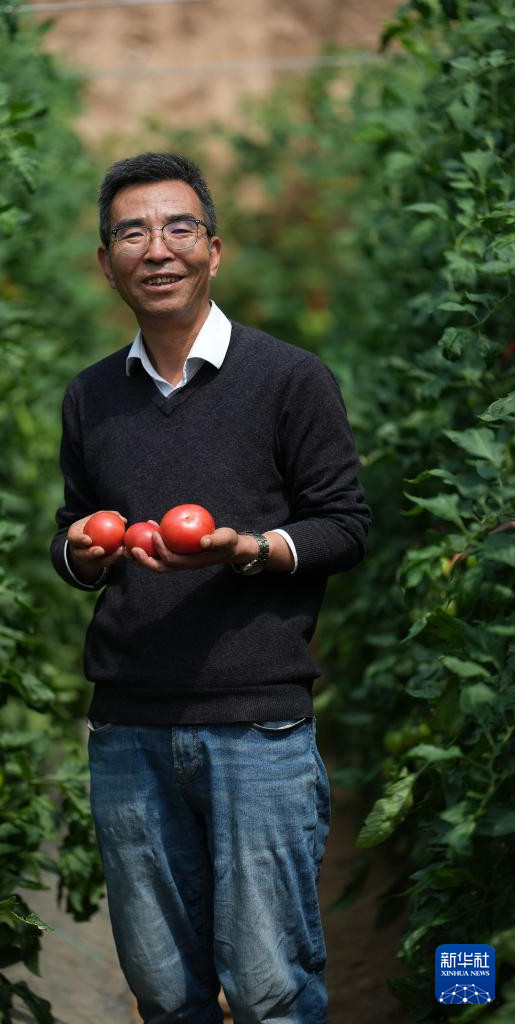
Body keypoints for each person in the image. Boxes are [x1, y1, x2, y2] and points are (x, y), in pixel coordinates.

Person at [50, 151, 370, 1024]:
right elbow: (74, 530)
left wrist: (247, 549)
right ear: (106, 262)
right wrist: (81, 552)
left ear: (214, 250)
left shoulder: (288, 379)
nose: (157, 249)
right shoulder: (90, 397)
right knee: (162, 990)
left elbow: (344, 525)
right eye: (132, 233)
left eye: (178, 228)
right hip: (128, 727)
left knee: (269, 988)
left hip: (256, 725)